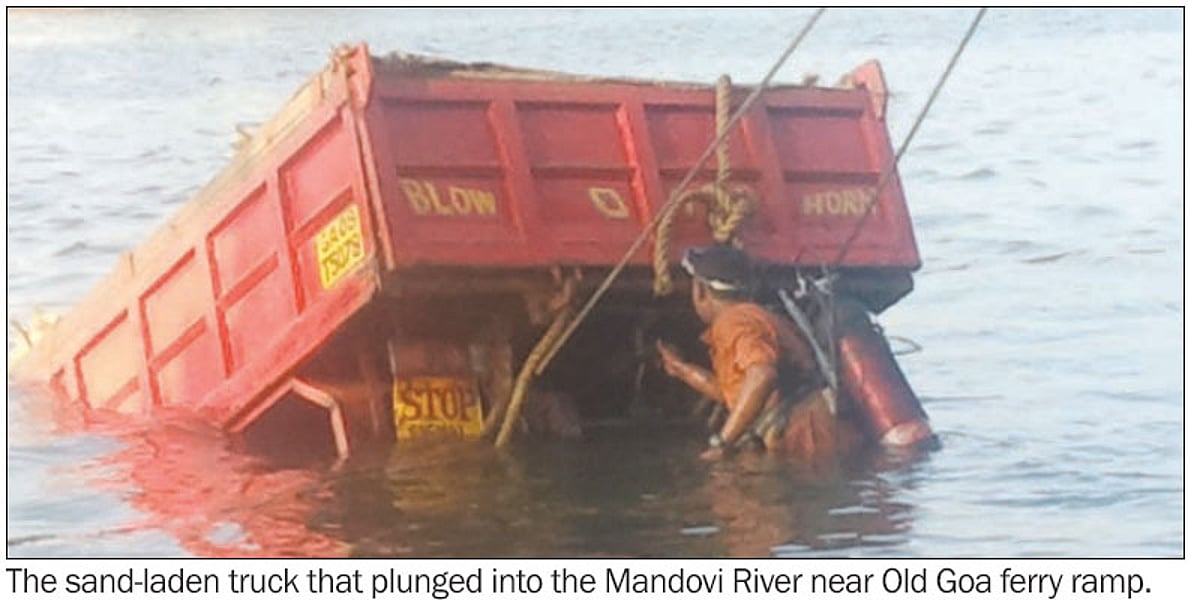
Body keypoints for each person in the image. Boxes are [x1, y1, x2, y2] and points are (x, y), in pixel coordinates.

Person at [657, 245, 861, 461]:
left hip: (807, 438)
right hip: (817, 434)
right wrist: (683, 370)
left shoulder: (734, 321)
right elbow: (738, 393)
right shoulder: (759, 317)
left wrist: (723, 442)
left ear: (699, 291)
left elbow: (762, 375)